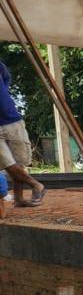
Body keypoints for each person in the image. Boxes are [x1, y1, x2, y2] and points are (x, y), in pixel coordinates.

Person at [0, 60, 46, 207]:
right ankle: (37, 185)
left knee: (19, 162)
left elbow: (6, 76)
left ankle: (18, 199)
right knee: (7, 162)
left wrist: (4, 92)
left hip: (12, 120)